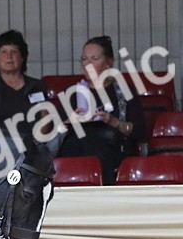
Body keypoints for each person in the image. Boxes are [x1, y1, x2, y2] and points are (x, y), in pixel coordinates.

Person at [58, 35, 144, 185]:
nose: (88, 64)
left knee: (94, 141)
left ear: (108, 63)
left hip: (112, 148)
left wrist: (114, 122)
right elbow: (54, 135)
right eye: (84, 59)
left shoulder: (123, 91)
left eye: (94, 59)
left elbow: (141, 131)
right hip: (76, 150)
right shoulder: (72, 93)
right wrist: (68, 122)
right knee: (83, 139)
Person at [0, 30, 50, 130]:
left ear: (22, 58)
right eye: (3, 52)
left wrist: (38, 142)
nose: (9, 56)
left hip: (31, 142)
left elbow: (45, 118)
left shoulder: (36, 86)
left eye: (14, 51)